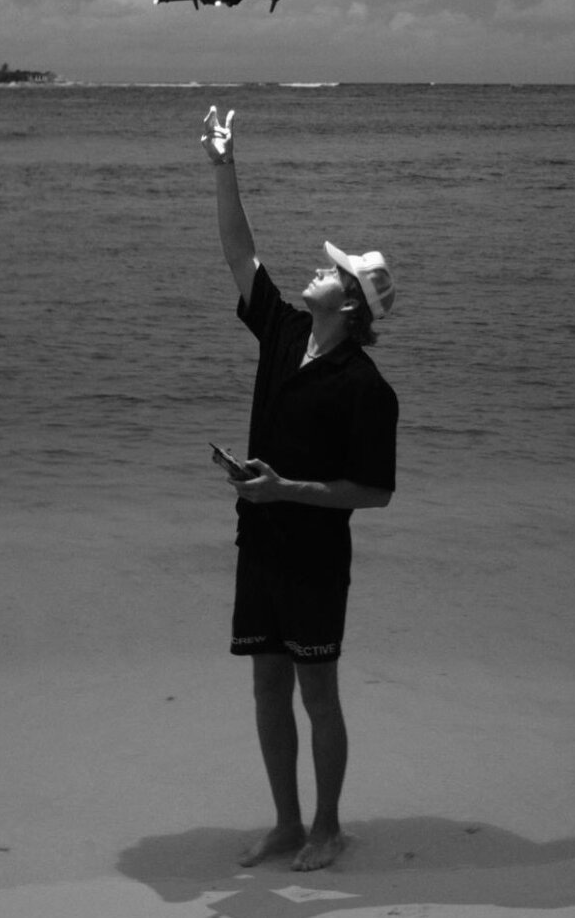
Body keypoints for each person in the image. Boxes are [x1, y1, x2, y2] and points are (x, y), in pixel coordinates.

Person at [200, 105, 399, 872]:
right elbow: (237, 252)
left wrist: (288, 489)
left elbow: (373, 493)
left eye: (331, 270)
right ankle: (285, 823)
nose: (317, 268)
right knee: (265, 689)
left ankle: (327, 828)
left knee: (318, 694)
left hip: (315, 554)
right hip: (262, 541)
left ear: (349, 304)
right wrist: (223, 166)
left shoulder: (366, 388)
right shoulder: (282, 330)